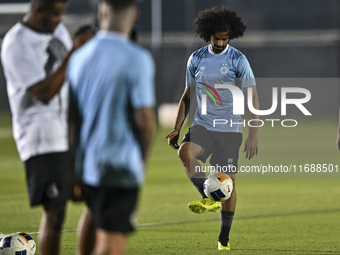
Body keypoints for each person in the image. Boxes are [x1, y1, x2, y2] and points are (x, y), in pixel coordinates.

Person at [1, 1, 92, 254]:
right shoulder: (16, 42)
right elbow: (43, 92)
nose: (59, 21)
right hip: (41, 135)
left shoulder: (59, 33)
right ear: (38, 9)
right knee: (55, 211)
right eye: (54, 15)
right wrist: (74, 52)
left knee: (97, 197)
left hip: (69, 131)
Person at [165, 6, 259, 251]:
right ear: (208, 34)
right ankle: (208, 195)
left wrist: (253, 134)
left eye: (224, 38)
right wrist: (177, 128)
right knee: (184, 152)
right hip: (203, 124)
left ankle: (223, 240)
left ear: (230, 36)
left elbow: (252, 96)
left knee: (229, 184)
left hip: (229, 129)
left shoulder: (238, 59)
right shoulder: (196, 59)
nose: (220, 42)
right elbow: (187, 96)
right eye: (216, 37)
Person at [67, 0, 156, 254]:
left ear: (102, 13)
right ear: (134, 15)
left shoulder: (79, 58)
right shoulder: (137, 58)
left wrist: (73, 167)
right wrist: (142, 162)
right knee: (111, 246)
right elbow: (145, 121)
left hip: (87, 166)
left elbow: (72, 120)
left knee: (99, 230)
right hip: (119, 165)